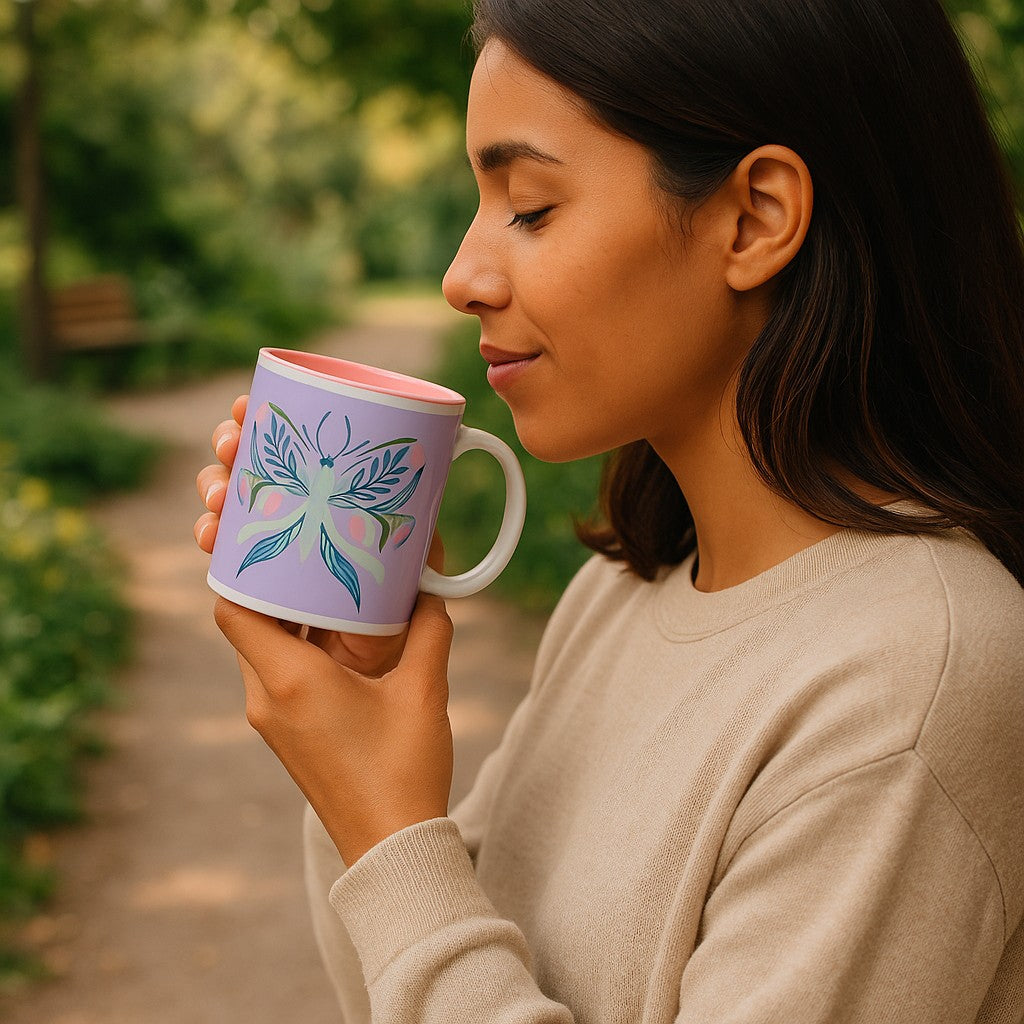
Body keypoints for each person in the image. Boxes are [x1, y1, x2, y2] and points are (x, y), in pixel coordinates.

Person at [193, 0, 1024, 1019]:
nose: (463, 275)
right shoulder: (615, 598)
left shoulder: (912, 683)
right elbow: (410, 982)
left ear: (755, 217)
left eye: (530, 206)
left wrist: (388, 831)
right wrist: (358, 727)